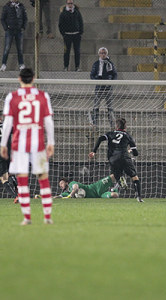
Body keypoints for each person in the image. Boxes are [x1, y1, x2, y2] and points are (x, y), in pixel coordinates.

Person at [0, 68, 55, 226]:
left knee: (22, 180)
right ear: (34, 78)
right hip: (37, 143)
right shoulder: (42, 96)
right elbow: (48, 122)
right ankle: (47, 216)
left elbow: (8, 123)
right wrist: (51, 142)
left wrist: (3, 144)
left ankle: (27, 218)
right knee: (43, 178)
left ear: (19, 79)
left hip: (19, 144)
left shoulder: (13, 97)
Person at [89, 118, 144, 202]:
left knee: (115, 174)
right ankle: (139, 197)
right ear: (125, 126)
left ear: (116, 126)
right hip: (124, 157)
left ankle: (120, 178)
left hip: (112, 158)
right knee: (134, 176)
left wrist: (94, 151)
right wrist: (130, 151)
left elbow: (100, 138)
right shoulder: (128, 136)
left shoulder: (110, 134)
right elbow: (136, 153)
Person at [90, 47, 117, 128]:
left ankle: (112, 124)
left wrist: (111, 81)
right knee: (96, 106)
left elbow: (114, 74)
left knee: (110, 107)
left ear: (107, 54)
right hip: (99, 86)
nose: (103, 54)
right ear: (99, 54)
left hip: (108, 87)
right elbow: (92, 75)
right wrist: (96, 80)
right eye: (101, 53)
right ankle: (94, 123)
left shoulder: (110, 64)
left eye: (104, 53)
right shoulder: (96, 64)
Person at [0, 0, 27, 72]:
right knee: (7, 48)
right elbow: (2, 19)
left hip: (19, 30)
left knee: (20, 49)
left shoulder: (21, 6)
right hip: (10, 30)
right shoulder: (7, 6)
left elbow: (25, 18)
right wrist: (6, 28)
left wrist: (23, 27)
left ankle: (21, 64)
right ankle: (3, 64)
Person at [58, 0, 83, 72]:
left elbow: (81, 22)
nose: (70, 5)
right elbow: (60, 24)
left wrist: (80, 32)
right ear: (66, 4)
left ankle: (77, 67)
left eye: (71, 3)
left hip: (76, 35)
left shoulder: (77, 12)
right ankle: (65, 66)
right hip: (67, 35)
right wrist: (63, 34)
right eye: (69, 3)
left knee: (77, 51)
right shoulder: (63, 13)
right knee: (66, 52)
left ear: (73, 4)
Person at [0, 118, 19, 203]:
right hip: (8, 153)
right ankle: (20, 192)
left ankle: (15, 196)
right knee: (10, 173)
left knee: (3, 177)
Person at [53, 175, 120, 199]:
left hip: (96, 187)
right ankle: (114, 189)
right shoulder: (67, 193)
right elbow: (59, 196)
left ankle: (122, 176)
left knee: (112, 176)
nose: (61, 185)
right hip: (99, 196)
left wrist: (71, 195)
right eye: (60, 185)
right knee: (115, 195)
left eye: (62, 183)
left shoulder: (71, 184)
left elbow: (75, 187)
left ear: (66, 183)